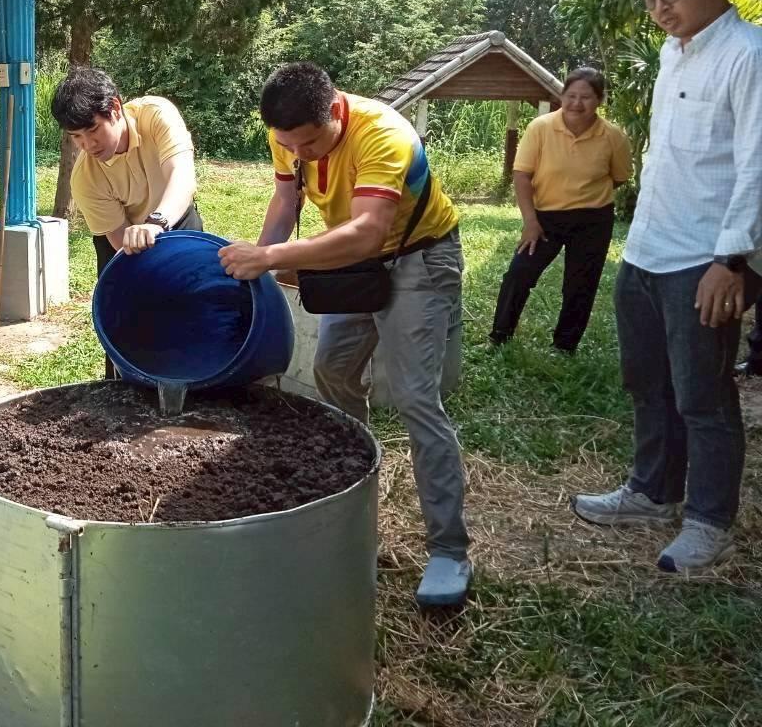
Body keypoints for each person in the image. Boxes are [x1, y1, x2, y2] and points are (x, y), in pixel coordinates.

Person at [218, 62, 471, 606]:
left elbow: (365, 232)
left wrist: (271, 257)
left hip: (419, 258)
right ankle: (353, 493)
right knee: (332, 370)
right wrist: (260, 268)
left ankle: (449, 550)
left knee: (414, 397)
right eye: (290, 144)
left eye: (309, 142)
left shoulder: (384, 133)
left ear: (334, 111)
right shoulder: (287, 131)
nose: (300, 153)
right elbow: (287, 201)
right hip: (357, 265)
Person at [572, 0, 762, 571]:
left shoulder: (748, 54)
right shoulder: (674, 53)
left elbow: (756, 165)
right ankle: (653, 492)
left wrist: (730, 262)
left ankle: (709, 521)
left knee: (703, 397)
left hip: (703, 260)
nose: (659, 9)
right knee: (647, 383)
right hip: (649, 248)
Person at [51, 68, 201, 378]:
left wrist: (157, 222)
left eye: (92, 130)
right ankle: (123, 387)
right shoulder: (85, 178)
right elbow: (120, 239)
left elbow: (183, 175)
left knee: (193, 301)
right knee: (123, 317)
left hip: (175, 213)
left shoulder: (156, 115)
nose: (88, 144)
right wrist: (141, 241)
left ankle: (196, 380)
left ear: (115, 109)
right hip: (125, 240)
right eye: (76, 137)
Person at [489, 68, 632, 352]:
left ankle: (565, 346)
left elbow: (619, 177)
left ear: (600, 100)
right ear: (561, 95)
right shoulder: (541, 128)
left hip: (593, 220)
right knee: (519, 273)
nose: (577, 103)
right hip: (544, 217)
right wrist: (530, 221)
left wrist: (585, 196)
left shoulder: (612, 136)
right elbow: (521, 175)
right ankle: (499, 336)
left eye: (586, 97)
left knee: (581, 284)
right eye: (571, 95)